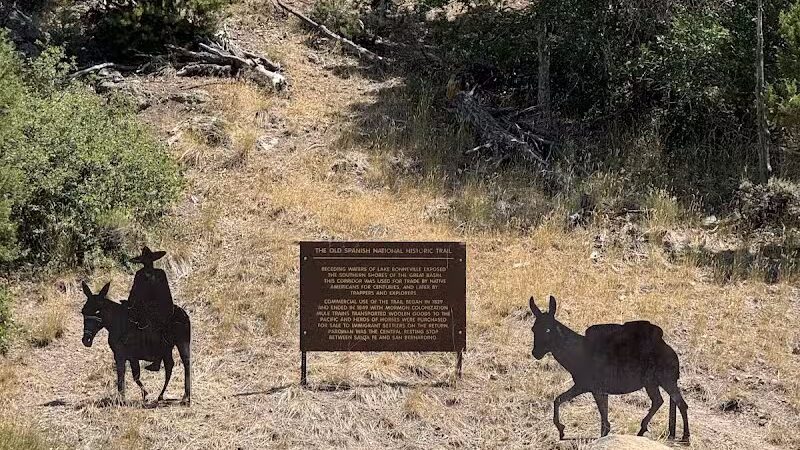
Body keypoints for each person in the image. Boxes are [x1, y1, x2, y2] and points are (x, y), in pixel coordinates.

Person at [128, 246, 174, 372]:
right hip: (144, 307)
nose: (148, 263)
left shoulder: (159, 274)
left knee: (155, 328)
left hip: (158, 308)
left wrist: (163, 307)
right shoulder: (140, 275)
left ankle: (157, 359)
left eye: (149, 261)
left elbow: (165, 293)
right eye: (146, 261)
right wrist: (130, 304)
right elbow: (134, 292)